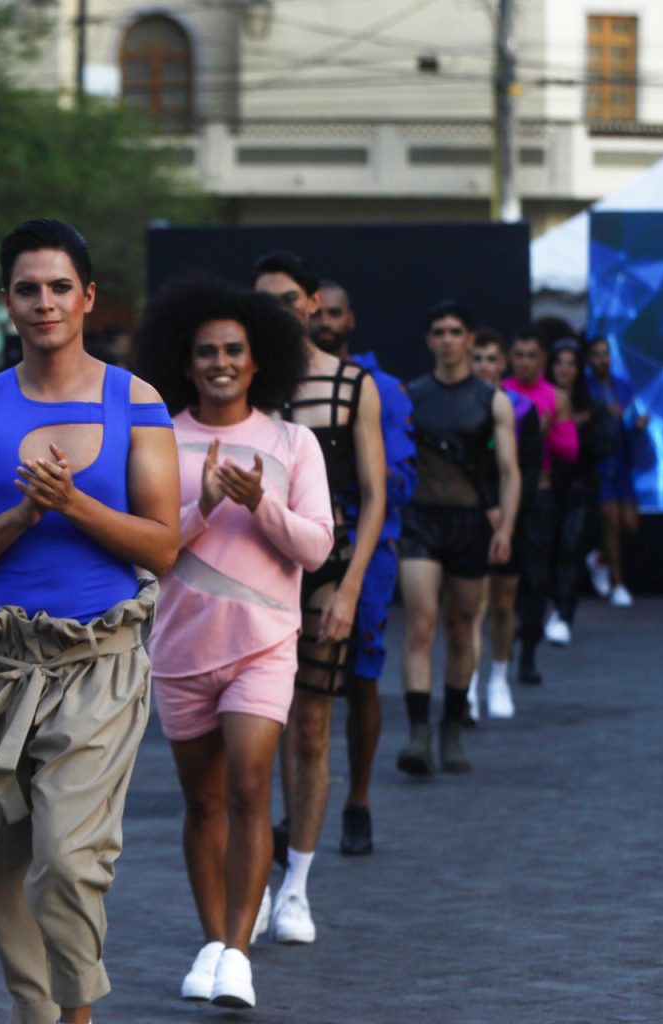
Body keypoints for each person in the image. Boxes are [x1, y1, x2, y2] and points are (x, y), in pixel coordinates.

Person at [0, 219, 178, 1024]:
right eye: (28, 289)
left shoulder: (135, 401)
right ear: (8, 303)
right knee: (6, 864)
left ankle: (77, 1013)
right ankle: (35, 1014)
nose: (45, 303)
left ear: (88, 298)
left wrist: (72, 501)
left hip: (99, 660)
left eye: (59, 287)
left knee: (69, 860)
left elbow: (164, 545)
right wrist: (21, 518)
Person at [135, 278, 329, 1008]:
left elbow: (315, 546)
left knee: (251, 784)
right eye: (206, 352)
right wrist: (206, 502)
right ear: (186, 363)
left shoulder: (291, 441)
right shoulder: (157, 440)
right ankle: (211, 941)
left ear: (258, 361)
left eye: (234, 351)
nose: (220, 362)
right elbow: (146, 550)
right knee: (203, 801)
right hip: (180, 650)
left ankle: (240, 952)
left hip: (265, 644)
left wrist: (262, 505)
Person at [253, 252, 383, 941]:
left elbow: (374, 494)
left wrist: (353, 586)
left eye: (285, 297)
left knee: (309, 727)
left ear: (311, 303)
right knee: (258, 728)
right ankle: (258, 879)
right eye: (263, 298)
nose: (275, 308)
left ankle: (297, 884)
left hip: (327, 571)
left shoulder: (353, 385)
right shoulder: (245, 382)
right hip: (258, 572)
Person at [308, 280, 415, 857]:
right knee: (296, 683)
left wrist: (353, 468)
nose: (325, 321)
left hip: (365, 548)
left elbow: (400, 479)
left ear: (351, 320)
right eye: (316, 312)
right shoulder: (284, 385)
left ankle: (360, 799)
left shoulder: (381, 390)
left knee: (363, 676)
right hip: (295, 545)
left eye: (335, 313)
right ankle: (302, 808)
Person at [396, 301, 518, 775]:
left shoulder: (492, 400)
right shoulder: (412, 396)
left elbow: (510, 471)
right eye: (439, 331)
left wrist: (504, 527)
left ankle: (450, 727)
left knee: (462, 627)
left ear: (469, 339)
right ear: (429, 340)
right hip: (421, 521)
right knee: (422, 625)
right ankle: (418, 734)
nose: (447, 339)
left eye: (455, 331)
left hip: (469, 524)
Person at [465, 329, 541, 721]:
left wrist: (506, 518)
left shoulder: (522, 409)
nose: (483, 366)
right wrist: (484, 506)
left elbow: (526, 471)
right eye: (477, 358)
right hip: (471, 514)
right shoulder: (460, 405)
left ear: (502, 364)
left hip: (510, 518)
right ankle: (470, 688)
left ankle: (499, 678)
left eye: (491, 359)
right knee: (470, 605)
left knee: (502, 602)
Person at [500, 329, 577, 684]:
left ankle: (528, 653)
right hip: (503, 496)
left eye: (533, 355)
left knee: (535, 576)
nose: (526, 362)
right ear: (510, 358)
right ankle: (501, 651)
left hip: (540, 495)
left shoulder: (555, 397)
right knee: (501, 580)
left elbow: (570, 452)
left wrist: (545, 432)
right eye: (520, 354)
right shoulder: (500, 393)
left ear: (542, 360)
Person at [544, 339, 600, 645]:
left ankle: (563, 614)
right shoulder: (537, 399)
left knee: (569, 550)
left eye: (571, 363)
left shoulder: (591, 404)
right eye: (559, 362)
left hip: (578, 489)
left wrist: (576, 428)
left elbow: (603, 449)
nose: (565, 369)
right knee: (544, 551)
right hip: (543, 488)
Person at [584, 336, 645, 608]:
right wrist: (602, 414)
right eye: (596, 354)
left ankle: (599, 559)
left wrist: (638, 425)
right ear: (588, 360)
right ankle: (618, 585)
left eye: (605, 354)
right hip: (599, 462)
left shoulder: (624, 387)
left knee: (630, 525)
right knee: (611, 521)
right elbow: (581, 423)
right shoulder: (584, 389)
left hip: (622, 460)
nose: (602, 359)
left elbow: (629, 419)